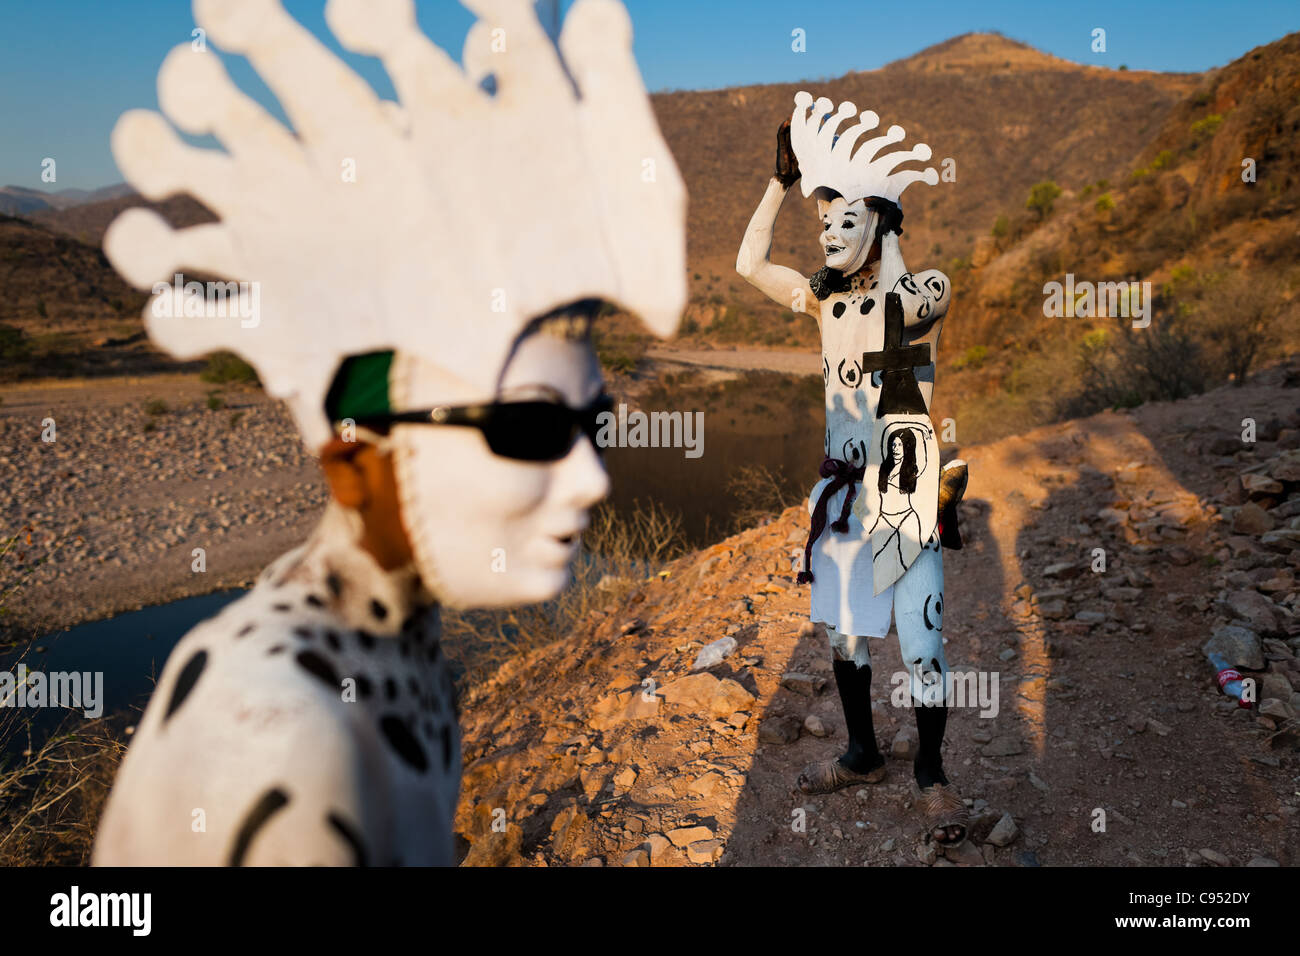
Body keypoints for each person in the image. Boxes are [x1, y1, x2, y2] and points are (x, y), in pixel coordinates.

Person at [92, 0, 685, 865]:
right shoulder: (283, 734)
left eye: (596, 425)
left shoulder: (393, 653)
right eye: (526, 425)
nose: (592, 478)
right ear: (351, 463)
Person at [736, 93, 969, 847]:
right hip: (842, 491)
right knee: (846, 640)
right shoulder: (822, 304)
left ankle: (931, 773)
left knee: (923, 645)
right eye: (826, 220)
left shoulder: (923, 286)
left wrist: (889, 232)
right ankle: (864, 752)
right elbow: (747, 265)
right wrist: (781, 181)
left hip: (903, 487)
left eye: (850, 219)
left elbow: (904, 303)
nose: (832, 231)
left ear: (880, 226)